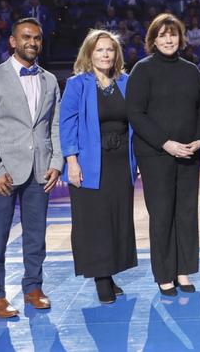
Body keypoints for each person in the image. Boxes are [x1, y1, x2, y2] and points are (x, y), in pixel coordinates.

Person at [0, 18, 63, 318]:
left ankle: (33, 288)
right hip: (3, 173)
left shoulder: (49, 80)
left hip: (40, 170)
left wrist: (56, 163)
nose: (32, 43)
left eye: (37, 38)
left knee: (36, 236)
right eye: (26, 37)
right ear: (13, 41)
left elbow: (54, 126)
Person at [126, 13, 200, 296]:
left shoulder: (191, 70)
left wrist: (199, 140)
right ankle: (164, 274)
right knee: (162, 215)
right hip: (155, 155)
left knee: (186, 214)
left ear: (181, 38)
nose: (168, 39)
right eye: (162, 35)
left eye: (172, 34)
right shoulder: (142, 70)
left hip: (188, 153)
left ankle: (183, 271)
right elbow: (136, 114)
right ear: (153, 39)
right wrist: (165, 143)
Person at [60, 29, 138, 304]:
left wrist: (136, 160)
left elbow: (136, 122)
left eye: (110, 50)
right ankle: (101, 278)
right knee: (94, 222)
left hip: (120, 162)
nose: (106, 54)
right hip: (90, 162)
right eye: (100, 50)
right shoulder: (77, 84)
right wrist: (71, 161)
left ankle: (111, 271)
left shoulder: (126, 82)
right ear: (89, 54)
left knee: (117, 219)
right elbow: (67, 124)